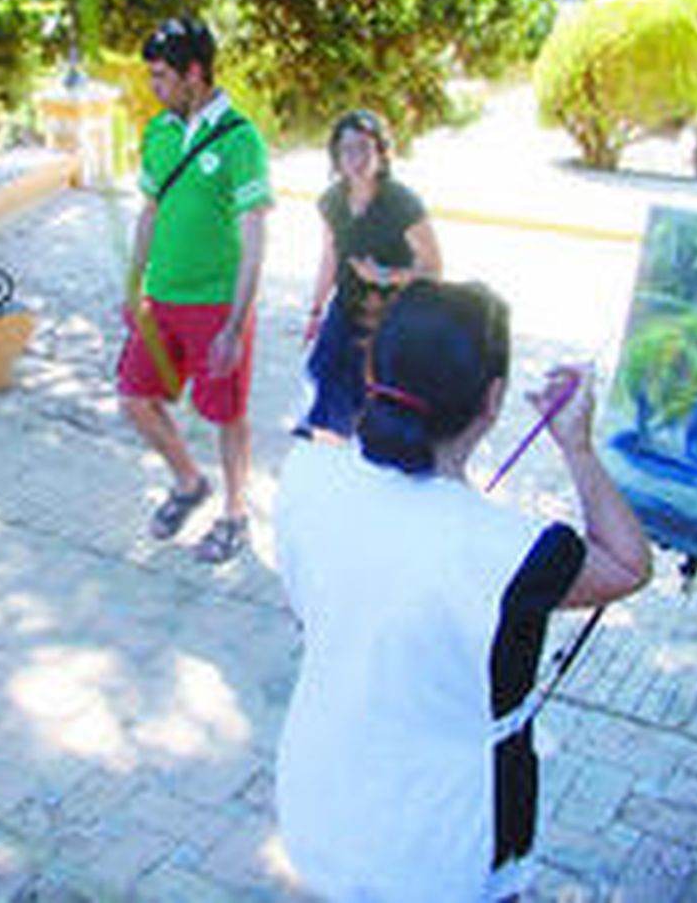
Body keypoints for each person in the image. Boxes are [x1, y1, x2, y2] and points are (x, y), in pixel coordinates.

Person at [274, 280, 652, 901]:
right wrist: (577, 446)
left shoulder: (306, 476)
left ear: (378, 370)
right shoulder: (515, 555)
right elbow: (628, 564)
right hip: (442, 847)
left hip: (319, 803)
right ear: (493, 398)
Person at [118, 17, 274, 564]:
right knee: (135, 399)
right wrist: (133, 285)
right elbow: (150, 210)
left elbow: (256, 232)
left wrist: (236, 322)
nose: (154, 87)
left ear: (195, 72)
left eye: (161, 77)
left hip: (216, 303)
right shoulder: (159, 132)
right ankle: (189, 483)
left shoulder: (239, 138)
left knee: (226, 415)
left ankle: (235, 515)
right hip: (161, 297)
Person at [300, 108, 442, 438]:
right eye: (347, 149)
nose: (356, 158)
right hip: (347, 307)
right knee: (325, 378)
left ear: (381, 152)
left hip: (394, 314)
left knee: (374, 400)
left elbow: (433, 269)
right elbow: (330, 257)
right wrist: (316, 310)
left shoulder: (401, 202)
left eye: (365, 147)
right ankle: (332, 449)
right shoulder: (332, 201)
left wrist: (387, 276)